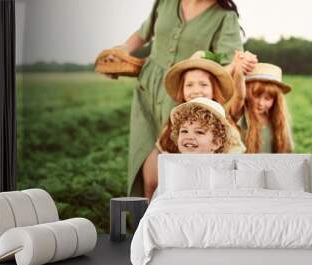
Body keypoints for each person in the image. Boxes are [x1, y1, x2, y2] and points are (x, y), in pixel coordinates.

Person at [100, 0, 257, 197]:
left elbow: (227, 66)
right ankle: (145, 221)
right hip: (147, 89)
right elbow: (142, 33)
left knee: (170, 167)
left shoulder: (224, 16)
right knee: (144, 161)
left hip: (184, 96)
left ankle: (178, 218)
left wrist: (238, 64)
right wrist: (120, 52)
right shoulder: (165, 2)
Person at [142, 51, 246, 199]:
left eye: (203, 84)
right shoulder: (179, 119)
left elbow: (230, 167)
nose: (196, 90)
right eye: (189, 85)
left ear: (213, 89)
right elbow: (161, 153)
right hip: (181, 183)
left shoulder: (222, 118)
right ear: (182, 90)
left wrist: (238, 67)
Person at [229, 63, 294, 153]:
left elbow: (287, 150)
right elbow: (239, 96)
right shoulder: (242, 115)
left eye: (267, 98)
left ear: (276, 100)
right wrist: (239, 68)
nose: (261, 103)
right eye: (256, 96)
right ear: (247, 93)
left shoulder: (278, 121)